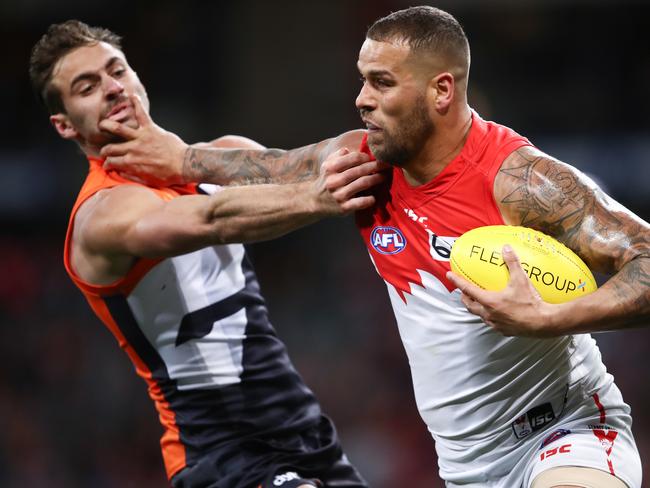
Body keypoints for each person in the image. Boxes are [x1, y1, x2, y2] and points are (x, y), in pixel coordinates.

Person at [97, 6, 650, 487]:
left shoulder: (520, 181)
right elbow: (270, 166)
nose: (361, 100)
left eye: (382, 83)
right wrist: (177, 158)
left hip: (568, 434)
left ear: (441, 90)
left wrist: (555, 318)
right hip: (467, 467)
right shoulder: (364, 164)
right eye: (362, 80)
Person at [28, 20, 387, 488]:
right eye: (87, 87)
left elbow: (309, 161)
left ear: (137, 77)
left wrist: (389, 141)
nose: (112, 89)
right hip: (219, 453)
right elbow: (211, 219)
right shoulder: (101, 215)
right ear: (64, 123)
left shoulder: (217, 156)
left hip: (303, 432)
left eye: (116, 71)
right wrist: (317, 198)